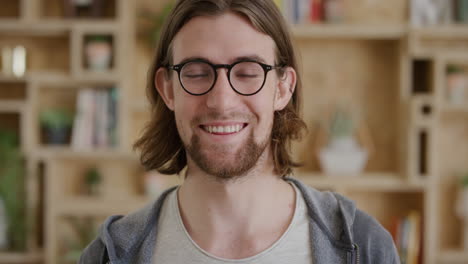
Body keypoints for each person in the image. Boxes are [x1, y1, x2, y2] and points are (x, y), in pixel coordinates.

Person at [79, 0, 399, 263]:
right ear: (168, 89)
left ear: (283, 88)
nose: (221, 100)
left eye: (247, 72)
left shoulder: (365, 247)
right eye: (197, 72)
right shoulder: (110, 254)